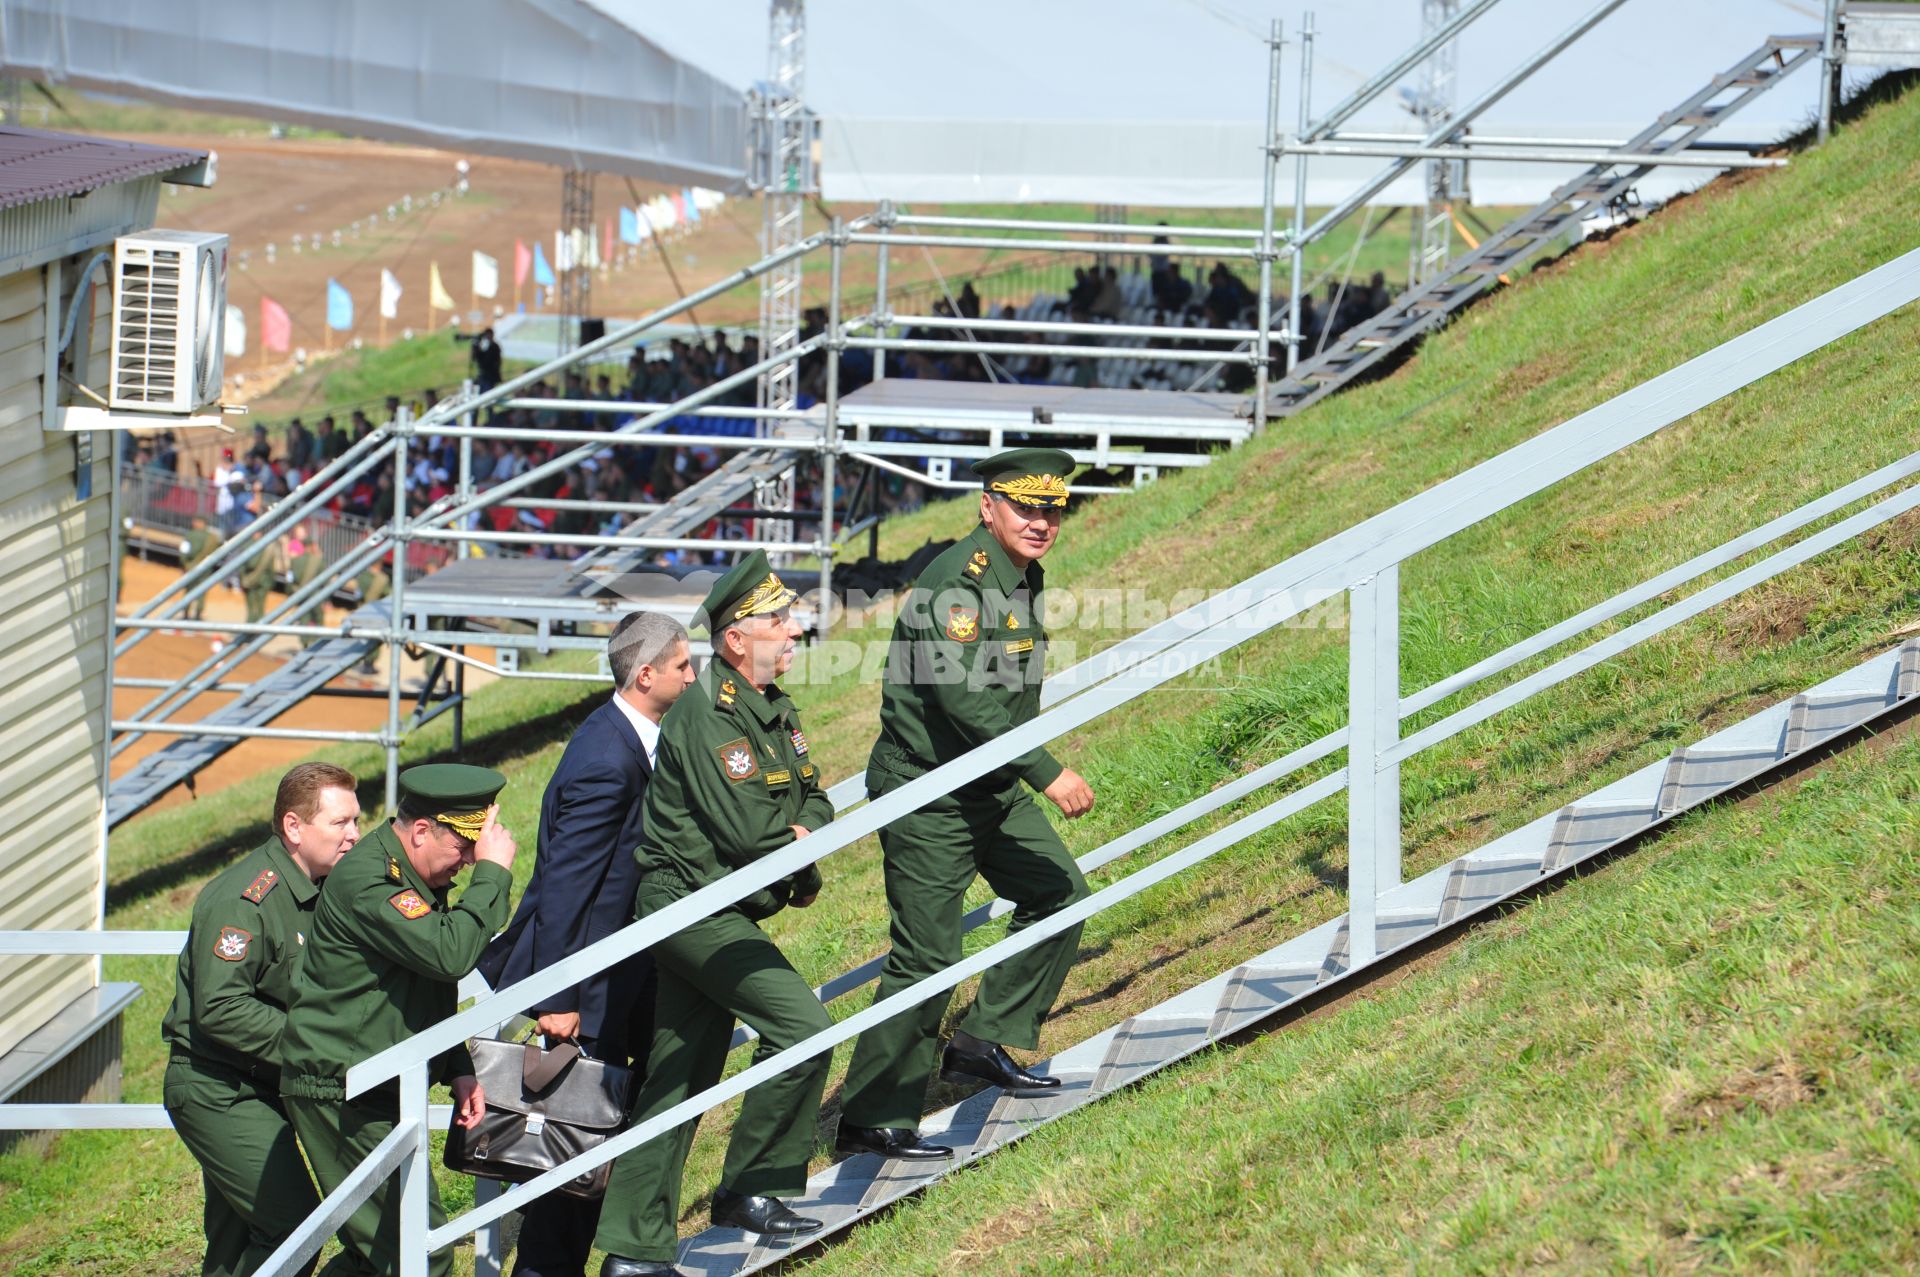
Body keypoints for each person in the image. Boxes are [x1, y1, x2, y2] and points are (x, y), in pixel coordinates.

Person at [836, 447, 1095, 1162]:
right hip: (930, 791)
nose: (1041, 521)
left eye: (1052, 508)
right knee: (927, 956)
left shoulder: (1018, 573)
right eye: (1026, 506)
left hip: (985, 781)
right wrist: (1045, 769)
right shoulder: (958, 582)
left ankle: (981, 1039)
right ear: (988, 507)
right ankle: (870, 1115)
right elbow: (962, 697)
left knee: (1059, 894)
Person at [594, 551, 834, 1277]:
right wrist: (794, 842)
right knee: (804, 1026)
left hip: (715, 902)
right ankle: (750, 1187)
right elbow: (749, 830)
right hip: (690, 905)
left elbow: (813, 798)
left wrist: (800, 836)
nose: (793, 631)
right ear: (736, 637)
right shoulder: (709, 713)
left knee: (678, 1078)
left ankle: (630, 1253)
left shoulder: (772, 706)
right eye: (778, 620)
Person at [478, 612, 696, 1277]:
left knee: (611, 1123)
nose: (694, 675)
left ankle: (615, 1250)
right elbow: (566, 890)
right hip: (588, 985)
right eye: (684, 665)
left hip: (625, 971)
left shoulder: (634, 740)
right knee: (575, 1141)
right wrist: (560, 996)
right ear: (647, 673)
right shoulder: (606, 757)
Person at [280, 764, 519, 1277]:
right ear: (420, 831)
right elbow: (449, 952)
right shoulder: (372, 879)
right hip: (339, 1088)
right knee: (417, 1253)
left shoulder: (408, 870)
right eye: (463, 849)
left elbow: (423, 985)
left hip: (370, 1080)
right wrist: (493, 874)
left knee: (386, 1256)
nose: (467, 863)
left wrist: (455, 1064)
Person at [161, 762, 362, 1277]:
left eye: (356, 821)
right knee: (294, 1228)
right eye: (340, 823)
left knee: (234, 1251)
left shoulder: (321, 892)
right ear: (294, 828)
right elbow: (221, 1009)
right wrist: (318, 1046)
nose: (354, 835)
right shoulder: (245, 898)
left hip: (264, 1087)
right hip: (218, 1090)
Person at [179, 515, 224, 622]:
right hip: (205, 568)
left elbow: (184, 552)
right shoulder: (212, 537)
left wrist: (184, 564)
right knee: (202, 592)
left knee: (189, 591)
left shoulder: (191, 535)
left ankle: (186, 613)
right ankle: (198, 615)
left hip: (191, 567)